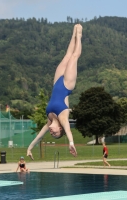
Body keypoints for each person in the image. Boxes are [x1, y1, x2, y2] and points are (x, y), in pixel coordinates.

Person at [27, 24, 83, 159]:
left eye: (52, 134)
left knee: (67, 56)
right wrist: (71, 143)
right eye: (55, 133)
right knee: (74, 56)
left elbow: (39, 136)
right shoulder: (63, 119)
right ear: (60, 129)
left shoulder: (49, 120)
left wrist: (30, 148)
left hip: (56, 82)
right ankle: (79, 35)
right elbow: (69, 131)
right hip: (66, 85)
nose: (52, 132)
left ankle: (73, 34)